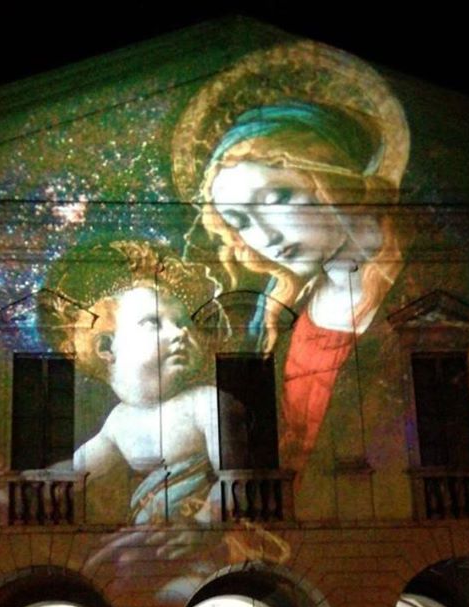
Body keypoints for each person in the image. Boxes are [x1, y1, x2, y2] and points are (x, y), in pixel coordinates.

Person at [172, 44, 409, 477]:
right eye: (241, 221)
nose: (266, 237)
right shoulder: (275, 317)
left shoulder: (423, 286)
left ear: (334, 176)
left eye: (277, 197)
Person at [40, 239, 239, 524]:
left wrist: (200, 525)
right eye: (153, 323)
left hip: (198, 532)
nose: (181, 333)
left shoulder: (206, 403)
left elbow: (235, 478)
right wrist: (37, 481)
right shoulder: (120, 422)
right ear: (106, 347)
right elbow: (78, 469)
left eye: (183, 322)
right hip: (151, 531)